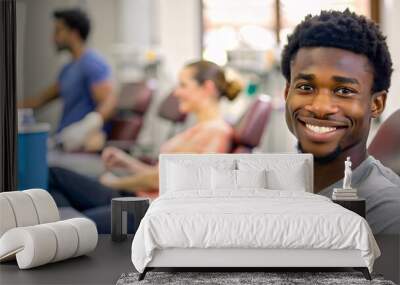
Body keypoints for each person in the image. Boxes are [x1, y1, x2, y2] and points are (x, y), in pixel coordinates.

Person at [49, 60, 242, 233]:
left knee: (66, 211)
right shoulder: (201, 129)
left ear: (207, 88)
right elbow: (161, 174)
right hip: (140, 197)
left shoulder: (215, 132)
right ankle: (79, 228)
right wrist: (127, 163)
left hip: (147, 210)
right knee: (56, 180)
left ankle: (79, 232)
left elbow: (163, 180)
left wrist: (113, 182)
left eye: (183, 85)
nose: (176, 92)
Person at [281, 9, 400, 234]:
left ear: (376, 104)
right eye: (305, 87)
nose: (320, 107)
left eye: (344, 90)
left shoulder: (387, 214)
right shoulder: (286, 186)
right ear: (287, 92)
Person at [19, 8, 117, 152]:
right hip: (61, 142)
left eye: (58, 31)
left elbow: (110, 102)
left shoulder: (92, 63)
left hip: (79, 148)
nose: (53, 37)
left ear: (74, 34)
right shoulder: (68, 69)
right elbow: (39, 100)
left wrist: (87, 126)